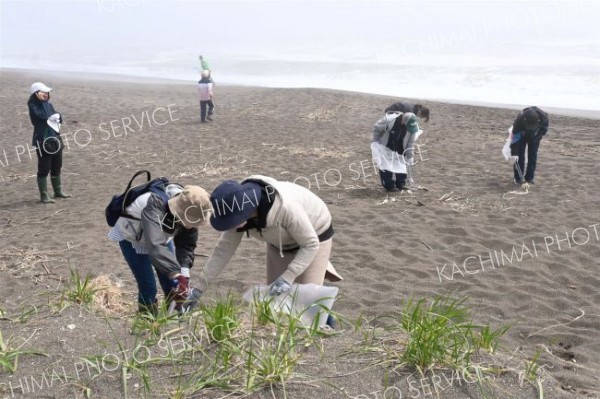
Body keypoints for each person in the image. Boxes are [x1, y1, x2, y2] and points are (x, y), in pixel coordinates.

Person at [197, 175, 343, 299]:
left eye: (233, 220)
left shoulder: (287, 208)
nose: (232, 225)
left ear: (247, 210)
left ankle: (327, 324)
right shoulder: (234, 210)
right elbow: (223, 251)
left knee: (307, 299)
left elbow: (311, 244)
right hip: (279, 243)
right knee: (276, 298)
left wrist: (289, 276)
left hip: (315, 237)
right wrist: (198, 289)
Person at [107, 184, 211, 314]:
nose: (195, 225)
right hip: (132, 238)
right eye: (193, 221)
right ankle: (147, 323)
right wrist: (176, 273)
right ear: (182, 212)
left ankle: (173, 317)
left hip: (160, 239)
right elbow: (154, 245)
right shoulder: (154, 204)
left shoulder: (191, 207)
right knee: (149, 287)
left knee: (174, 286)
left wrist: (184, 273)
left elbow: (186, 244)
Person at [28, 82, 70, 203]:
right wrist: (51, 116)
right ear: (36, 93)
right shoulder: (33, 105)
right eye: (43, 92)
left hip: (55, 139)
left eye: (47, 92)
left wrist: (58, 117)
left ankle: (57, 191)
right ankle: (44, 195)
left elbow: (57, 116)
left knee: (57, 166)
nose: (46, 94)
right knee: (44, 168)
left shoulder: (48, 104)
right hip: (43, 141)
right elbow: (43, 116)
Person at [372, 111, 421, 191]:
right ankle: (389, 185)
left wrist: (410, 156)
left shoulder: (413, 127)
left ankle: (400, 184)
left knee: (401, 164)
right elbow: (376, 128)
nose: (410, 130)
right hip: (387, 145)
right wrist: (376, 142)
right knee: (386, 165)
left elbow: (410, 143)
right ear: (403, 121)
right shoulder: (389, 120)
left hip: (400, 147)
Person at [510, 106, 549, 185]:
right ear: (525, 121)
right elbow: (515, 135)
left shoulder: (544, 118)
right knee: (519, 156)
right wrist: (514, 151)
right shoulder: (520, 119)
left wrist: (537, 137)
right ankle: (518, 179)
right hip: (522, 136)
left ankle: (529, 178)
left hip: (535, 137)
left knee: (532, 155)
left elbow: (544, 131)